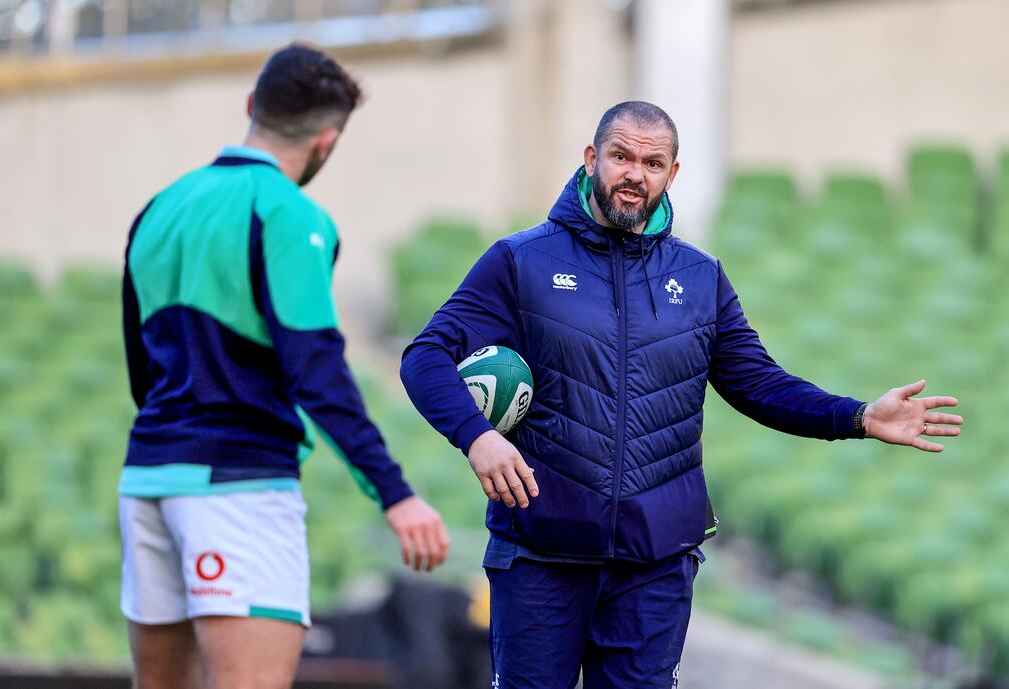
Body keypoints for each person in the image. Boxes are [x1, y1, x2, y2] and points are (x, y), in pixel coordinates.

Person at [399, 101, 963, 689]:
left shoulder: (700, 277)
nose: (634, 174)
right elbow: (425, 357)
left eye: (652, 162)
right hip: (542, 554)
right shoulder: (520, 261)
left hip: (657, 561)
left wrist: (859, 416)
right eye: (620, 156)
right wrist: (478, 436)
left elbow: (757, 382)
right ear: (592, 160)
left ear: (672, 174)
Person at [119, 43, 449, 689]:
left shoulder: (159, 208)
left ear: (251, 107)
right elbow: (316, 371)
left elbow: (141, 369)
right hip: (237, 490)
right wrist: (396, 494)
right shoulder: (292, 215)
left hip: (148, 482)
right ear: (328, 139)